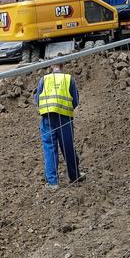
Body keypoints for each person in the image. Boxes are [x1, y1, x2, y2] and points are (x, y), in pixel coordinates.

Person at [35, 60, 85, 190]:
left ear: (51, 66)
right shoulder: (69, 79)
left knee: (50, 148)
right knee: (68, 146)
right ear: (63, 66)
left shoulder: (43, 80)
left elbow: (37, 100)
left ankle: (53, 182)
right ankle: (74, 176)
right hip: (64, 118)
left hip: (47, 118)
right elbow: (75, 100)